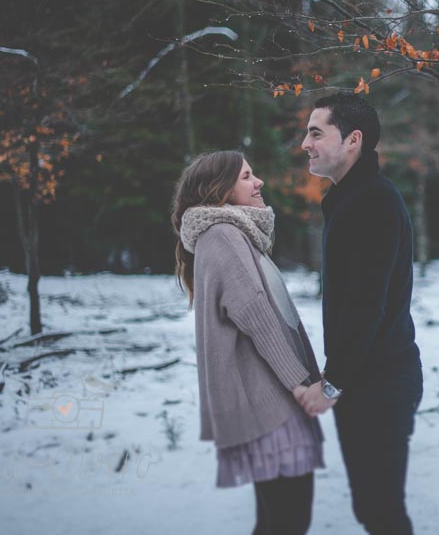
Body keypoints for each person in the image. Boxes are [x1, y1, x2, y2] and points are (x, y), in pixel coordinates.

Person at [172, 150, 327, 535]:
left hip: (268, 400)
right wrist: (300, 382)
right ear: (219, 190)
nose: (258, 183)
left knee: (277, 522)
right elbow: (255, 313)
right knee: (288, 522)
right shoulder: (223, 234)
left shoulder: (230, 234)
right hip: (269, 404)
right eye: (246, 176)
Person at [298, 91, 423, 535]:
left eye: (316, 132)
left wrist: (333, 383)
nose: (305, 144)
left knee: (381, 513)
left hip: (380, 383)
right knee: (375, 511)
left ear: (353, 140)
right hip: (368, 381)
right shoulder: (353, 198)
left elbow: (366, 303)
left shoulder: (371, 200)